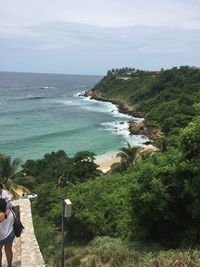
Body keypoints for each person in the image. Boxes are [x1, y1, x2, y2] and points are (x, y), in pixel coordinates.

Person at [0, 198, 15, 267]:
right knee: (8, 250)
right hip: (10, 235)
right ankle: (9, 265)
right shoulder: (10, 212)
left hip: (1, 238)